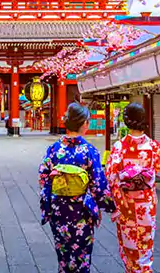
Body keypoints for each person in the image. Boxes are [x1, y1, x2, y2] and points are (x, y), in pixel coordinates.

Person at [38, 102, 116, 273]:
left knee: (63, 253)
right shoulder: (89, 150)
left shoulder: (54, 149)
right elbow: (98, 184)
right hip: (81, 209)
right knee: (82, 255)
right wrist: (108, 206)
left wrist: (49, 199)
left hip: (58, 207)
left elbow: (43, 176)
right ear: (84, 124)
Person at [106, 103, 160, 273]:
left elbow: (110, 176)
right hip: (146, 204)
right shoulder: (154, 147)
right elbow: (157, 169)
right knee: (145, 247)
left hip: (127, 204)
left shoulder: (119, 147)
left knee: (129, 247)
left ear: (126, 121)